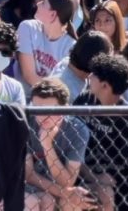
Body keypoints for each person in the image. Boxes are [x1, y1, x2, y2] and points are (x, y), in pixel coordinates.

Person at [73, 55, 128, 211]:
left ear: (105, 86)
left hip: (123, 186)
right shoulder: (84, 101)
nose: (89, 77)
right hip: (87, 178)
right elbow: (70, 148)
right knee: (104, 192)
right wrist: (94, 176)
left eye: (94, 75)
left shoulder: (127, 119)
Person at [25, 78, 96, 211]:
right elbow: (28, 174)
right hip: (28, 187)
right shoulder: (26, 122)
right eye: (37, 109)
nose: (41, 116)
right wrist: (66, 193)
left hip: (59, 186)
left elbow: (67, 181)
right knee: (44, 200)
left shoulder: (77, 130)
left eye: (48, 110)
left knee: (73, 203)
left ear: (64, 109)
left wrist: (47, 145)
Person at [17, 0, 77, 88]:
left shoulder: (71, 47)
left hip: (49, 100)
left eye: (43, 2)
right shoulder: (27, 27)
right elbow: (29, 76)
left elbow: (62, 86)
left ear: (53, 14)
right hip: (22, 98)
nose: (38, 3)